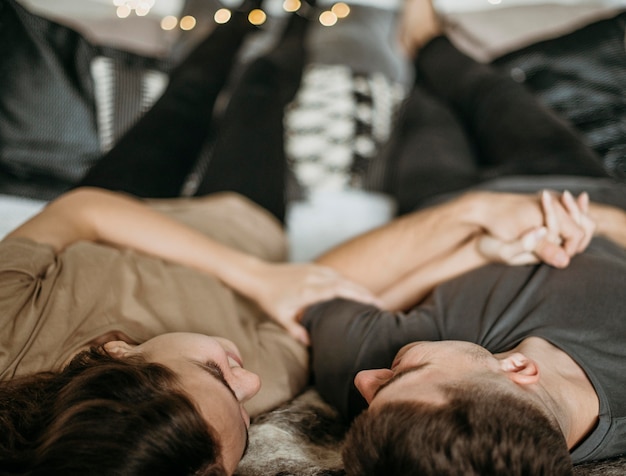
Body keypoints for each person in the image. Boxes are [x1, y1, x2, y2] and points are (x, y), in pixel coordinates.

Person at [0, 2, 615, 476]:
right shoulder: (261, 380)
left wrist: (259, 278)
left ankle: (248, 22)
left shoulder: (10, 333)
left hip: (166, 216)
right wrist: (487, 235)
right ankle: (352, 32)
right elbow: (327, 301)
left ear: (113, 350)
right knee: (302, 99)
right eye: (247, 414)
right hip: (251, 219)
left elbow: (84, 212)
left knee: (200, 102)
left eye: (217, 375)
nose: (251, 392)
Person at [299, 0, 626, 474]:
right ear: (517, 369)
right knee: (489, 92)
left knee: (422, 109)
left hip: (443, 201)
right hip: (568, 185)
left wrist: (473, 234)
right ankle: (430, 40)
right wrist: (577, 218)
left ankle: (418, 48)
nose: (367, 379)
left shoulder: (401, 429)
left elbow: (318, 283)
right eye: (400, 375)